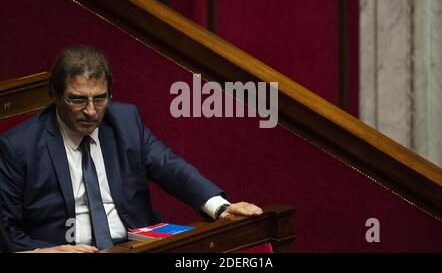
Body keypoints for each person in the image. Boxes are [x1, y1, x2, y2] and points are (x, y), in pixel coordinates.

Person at [0, 45, 262, 253]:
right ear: (55, 94)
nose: (91, 111)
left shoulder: (125, 122)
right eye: (78, 100)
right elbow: (6, 230)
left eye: (100, 99)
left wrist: (220, 207)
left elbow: (171, 168)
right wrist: (41, 252)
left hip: (135, 246)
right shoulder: (19, 147)